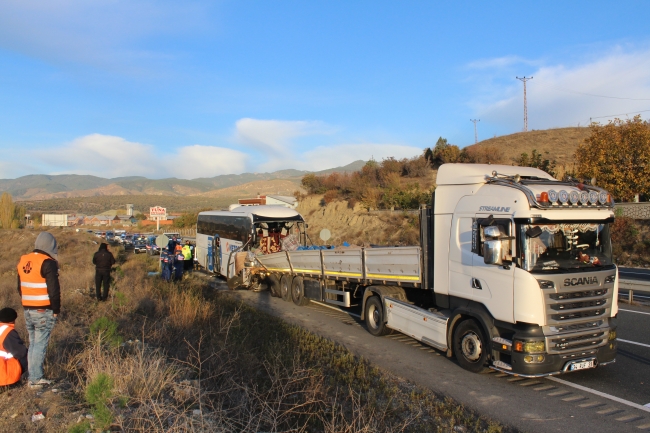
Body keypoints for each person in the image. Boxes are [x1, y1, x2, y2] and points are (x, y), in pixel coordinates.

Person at [16, 231, 60, 388]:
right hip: (43, 310)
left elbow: (19, 288)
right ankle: (35, 378)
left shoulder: (23, 260)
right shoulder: (48, 262)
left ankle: (32, 375)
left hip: (27, 309)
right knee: (40, 344)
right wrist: (56, 309)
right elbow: (54, 289)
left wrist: (28, 301)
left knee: (33, 342)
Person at [0, 308, 27, 387]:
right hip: (3, 377)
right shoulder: (8, 332)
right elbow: (20, 352)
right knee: (28, 357)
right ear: (13, 320)